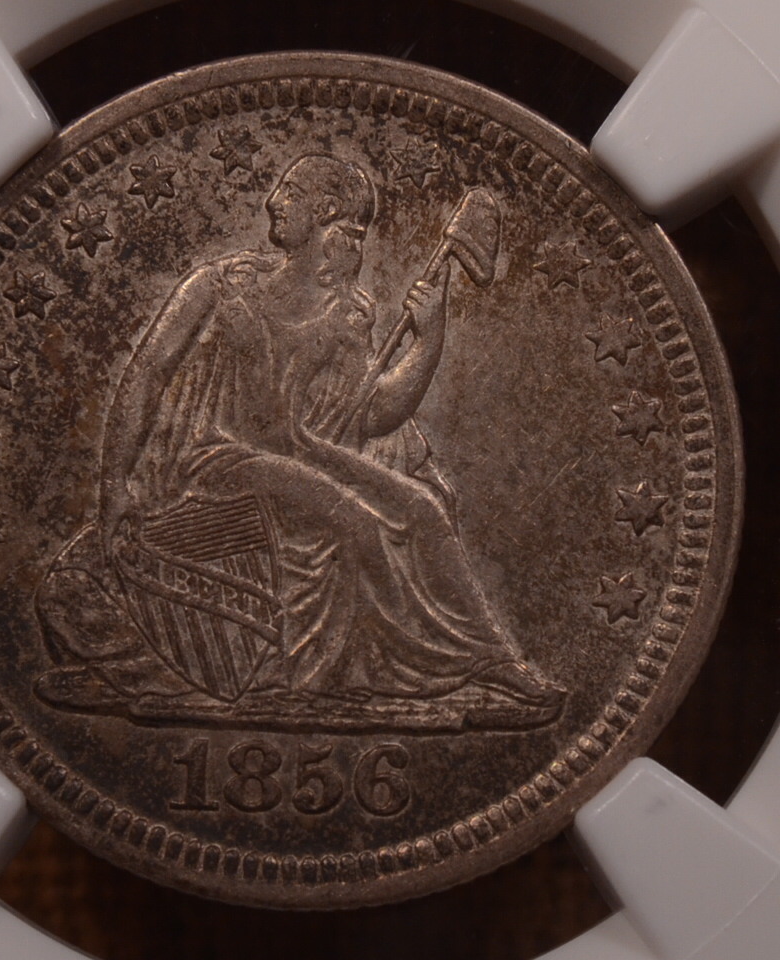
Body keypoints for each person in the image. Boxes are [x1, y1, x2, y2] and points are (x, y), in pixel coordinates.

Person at [36, 154, 564, 715]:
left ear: (325, 211)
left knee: (421, 507)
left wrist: (429, 338)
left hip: (300, 453)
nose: (273, 202)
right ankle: (362, 670)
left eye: (290, 192)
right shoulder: (219, 285)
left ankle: (489, 660)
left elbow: (373, 414)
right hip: (213, 460)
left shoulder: (348, 312)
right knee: (351, 518)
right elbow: (147, 372)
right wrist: (114, 483)